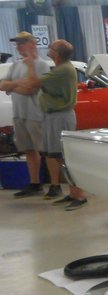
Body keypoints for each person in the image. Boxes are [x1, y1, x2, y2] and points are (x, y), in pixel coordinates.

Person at [18, 39, 87, 210]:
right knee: (57, 156)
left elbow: (33, 83)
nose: (49, 48)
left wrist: (31, 63)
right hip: (53, 116)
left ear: (58, 53)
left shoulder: (63, 70)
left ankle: (79, 195)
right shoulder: (60, 68)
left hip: (60, 117)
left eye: (52, 47)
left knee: (65, 157)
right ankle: (72, 192)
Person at [0, 31, 49, 197]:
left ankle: (53, 183)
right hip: (19, 113)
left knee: (43, 149)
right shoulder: (15, 65)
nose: (19, 46)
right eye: (17, 43)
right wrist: (17, 83)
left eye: (22, 42)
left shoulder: (41, 65)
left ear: (32, 43)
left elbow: (31, 88)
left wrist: (12, 86)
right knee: (28, 149)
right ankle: (34, 182)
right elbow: (2, 85)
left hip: (35, 113)